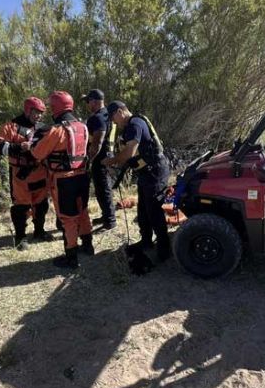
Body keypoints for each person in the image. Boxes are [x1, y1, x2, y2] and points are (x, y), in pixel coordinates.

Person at [27, 91, 94, 269]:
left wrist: (31, 144)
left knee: (68, 218)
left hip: (63, 180)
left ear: (56, 108)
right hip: (82, 176)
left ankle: (71, 257)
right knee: (83, 210)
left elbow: (37, 153)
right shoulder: (83, 126)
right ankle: (88, 245)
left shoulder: (56, 130)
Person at [103, 101, 171, 274]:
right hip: (145, 172)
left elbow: (130, 152)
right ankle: (146, 240)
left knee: (154, 210)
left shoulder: (135, 124)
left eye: (113, 117)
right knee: (143, 210)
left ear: (120, 112)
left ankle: (164, 249)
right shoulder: (129, 126)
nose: (113, 121)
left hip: (155, 171)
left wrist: (112, 161)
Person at [0, 97, 52, 249]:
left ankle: (39, 231)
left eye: (41, 113)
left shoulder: (43, 127)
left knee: (41, 204)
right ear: (27, 110)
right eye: (35, 112)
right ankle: (20, 237)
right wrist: (19, 148)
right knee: (21, 207)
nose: (38, 116)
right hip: (21, 176)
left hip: (40, 172)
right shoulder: (11, 127)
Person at [81, 89, 116, 230]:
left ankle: (110, 220)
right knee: (103, 189)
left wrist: (88, 160)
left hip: (99, 159)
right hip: (108, 156)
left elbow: (97, 143)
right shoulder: (107, 114)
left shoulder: (98, 118)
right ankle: (106, 215)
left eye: (88, 101)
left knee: (103, 190)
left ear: (94, 101)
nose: (87, 104)